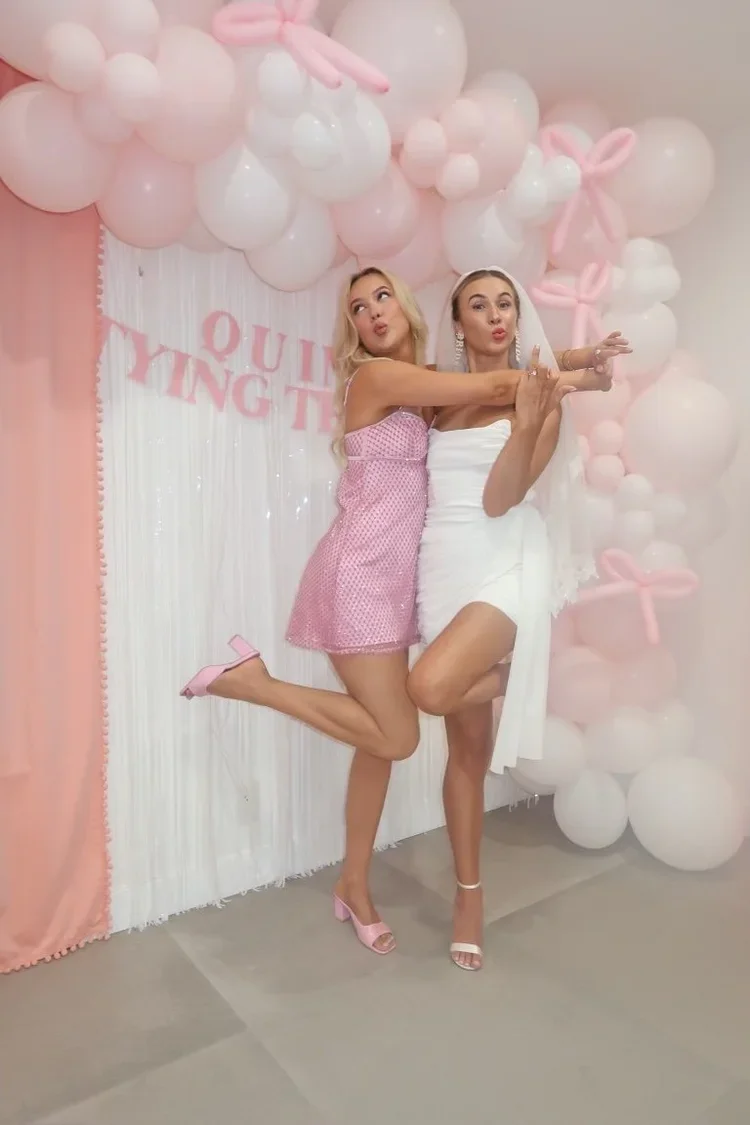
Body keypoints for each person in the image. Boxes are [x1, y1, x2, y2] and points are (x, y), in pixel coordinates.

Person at [180, 266, 622, 958]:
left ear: (408, 307)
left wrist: (567, 366)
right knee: (401, 734)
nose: (373, 310)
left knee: (378, 740)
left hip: (403, 583)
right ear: (354, 330)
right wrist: (579, 375)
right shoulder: (380, 380)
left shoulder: (422, 383)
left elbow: (501, 369)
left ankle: (353, 883)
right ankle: (253, 682)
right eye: (359, 307)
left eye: (382, 295)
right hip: (359, 574)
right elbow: (495, 381)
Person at [405, 267, 631, 970]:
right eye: (480, 305)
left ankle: (527, 662)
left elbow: (502, 498)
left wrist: (537, 412)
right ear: (458, 322)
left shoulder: (539, 402)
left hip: (505, 566)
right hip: (442, 571)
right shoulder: (444, 394)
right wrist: (573, 366)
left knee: (430, 687)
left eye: (506, 303)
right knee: (463, 752)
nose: (497, 315)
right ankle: (468, 893)